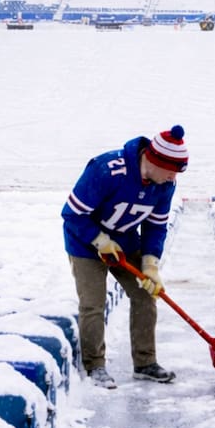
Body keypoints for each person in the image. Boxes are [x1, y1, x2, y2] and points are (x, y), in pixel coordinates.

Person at [61, 125, 188, 389]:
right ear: (154, 161)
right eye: (171, 170)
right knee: (93, 302)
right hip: (85, 243)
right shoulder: (107, 170)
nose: (172, 177)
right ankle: (94, 365)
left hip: (125, 241)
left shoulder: (165, 185)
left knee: (145, 294)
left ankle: (145, 363)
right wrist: (99, 241)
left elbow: (155, 225)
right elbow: (72, 214)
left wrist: (151, 264)